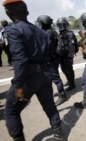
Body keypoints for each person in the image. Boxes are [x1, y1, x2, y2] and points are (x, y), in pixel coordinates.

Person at [2, 0, 65, 140]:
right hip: (45, 73)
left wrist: (18, 85)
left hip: (28, 77)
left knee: (11, 111)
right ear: (27, 12)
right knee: (49, 105)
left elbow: (20, 60)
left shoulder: (13, 30)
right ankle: (58, 132)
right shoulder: (41, 32)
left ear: (8, 12)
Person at [36, 15, 69, 106]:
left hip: (51, 58)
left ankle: (62, 95)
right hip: (55, 57)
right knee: (55, 76)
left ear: (42, 23)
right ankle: (60, 91)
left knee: (56, 78)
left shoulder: (47, 34)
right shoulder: (52, 31)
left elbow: (46, 48)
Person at [56, 17, 78, 91]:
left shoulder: (69, 33)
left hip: (68, 56)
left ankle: (72, 84)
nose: (60, 26)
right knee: (63, 69)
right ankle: (69, 80)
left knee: (69, 70)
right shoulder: (61, 34)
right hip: (62, 55)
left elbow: (72, 46)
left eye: (60, 24)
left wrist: (70, 57)